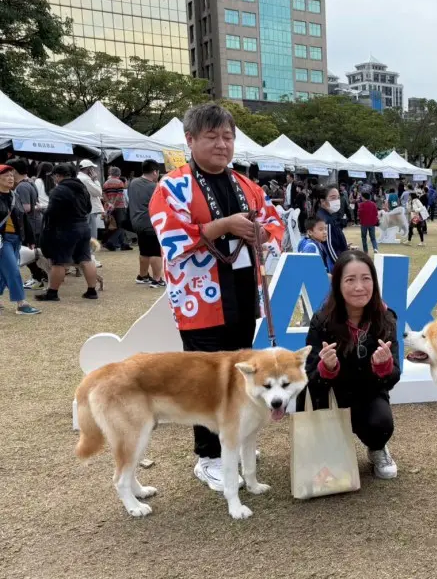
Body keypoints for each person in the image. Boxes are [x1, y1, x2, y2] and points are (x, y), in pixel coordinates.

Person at [148, 103, 284, 492]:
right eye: (211, 137)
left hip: (242, 294)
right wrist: (223, 225)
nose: (222, 144)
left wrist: (261, 233)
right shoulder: (172, 186)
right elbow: (170, 238)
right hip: (199, 300)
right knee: (205, 379)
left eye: (227, 136)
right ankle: (207, 456)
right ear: (190, 140)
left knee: (241, 370)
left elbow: (274, 221)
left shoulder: (246, 185)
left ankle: (235, 438)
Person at [298, 250, 401, 480]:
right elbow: (309, 374)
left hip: (367, 393)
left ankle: (377, 448)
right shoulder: (322, 320)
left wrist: (383, 367)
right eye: (350, 280)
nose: (359, 287)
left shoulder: (386, 319)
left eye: (366, 278)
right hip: (329, 394)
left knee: (381, 424)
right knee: (327, 463)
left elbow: (394, 376)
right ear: (337, 284)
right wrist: (327, 368)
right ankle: (324, 447)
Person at [35, 164, 99, 302]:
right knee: (86, 259)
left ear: (58, 176)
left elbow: (51, 212)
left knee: (60, 261)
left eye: (54, 176)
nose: (53, 179)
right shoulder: (83, 188)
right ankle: (92, 291)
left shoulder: (59, 190)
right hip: (83, 226)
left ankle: (52, 293)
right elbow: (88, 208)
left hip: (65, 229)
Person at [0, 165, 40, 315]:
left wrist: (30, 238)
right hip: (2, 239)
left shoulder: (14, 195)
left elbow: (23, 217)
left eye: (12, 175)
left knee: (4, 271)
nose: (11, 178)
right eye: (6, 175)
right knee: (12, 269)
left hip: (15, 238)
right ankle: (21, 304)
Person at [8, 159, 48, 289]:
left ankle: (37, 278)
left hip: (29, 225)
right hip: (35, 223)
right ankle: (40, 276)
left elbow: (25, 208)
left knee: (29, 254)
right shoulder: (30, 182)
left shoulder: (22, 186)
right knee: (34, 253)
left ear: (14, 171)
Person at [128, 160, 165, 287]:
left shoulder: (133, 183)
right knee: (156, 252)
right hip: (150, 223)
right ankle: (157, 279)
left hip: (136, 222)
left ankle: (142, 275)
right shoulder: (154, 187)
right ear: (155, 172)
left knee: (144, 251)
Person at [312, 185, 349, 272]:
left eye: (338, 198)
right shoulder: (326, 220)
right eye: (333, 198)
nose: (337, 201)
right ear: (322, 201)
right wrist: (341, 266)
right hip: (335, 264)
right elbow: (330, 247)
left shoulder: (328, 215)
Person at [77, 160, 103, 268]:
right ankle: (90, 258)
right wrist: (96, 180)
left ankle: (87, 257)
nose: (94, 170)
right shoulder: (86, 179)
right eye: (92, 168)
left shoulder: (79, 177)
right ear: (88, 169)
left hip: (84, 209)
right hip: (90, 209)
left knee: (86, 235)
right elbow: (98, 192)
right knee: (91, 235)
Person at [102, 167, 131, 252]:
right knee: (121, 225)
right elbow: (119, 195)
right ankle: (110, 242)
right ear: (119, 174)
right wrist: (114, 204)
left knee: (112, 225)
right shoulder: (120, 182)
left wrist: (109, 203)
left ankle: (123, 244)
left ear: (111, 173)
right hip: (119, 206)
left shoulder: (106, 183)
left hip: (109, 207)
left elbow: (103, 194)